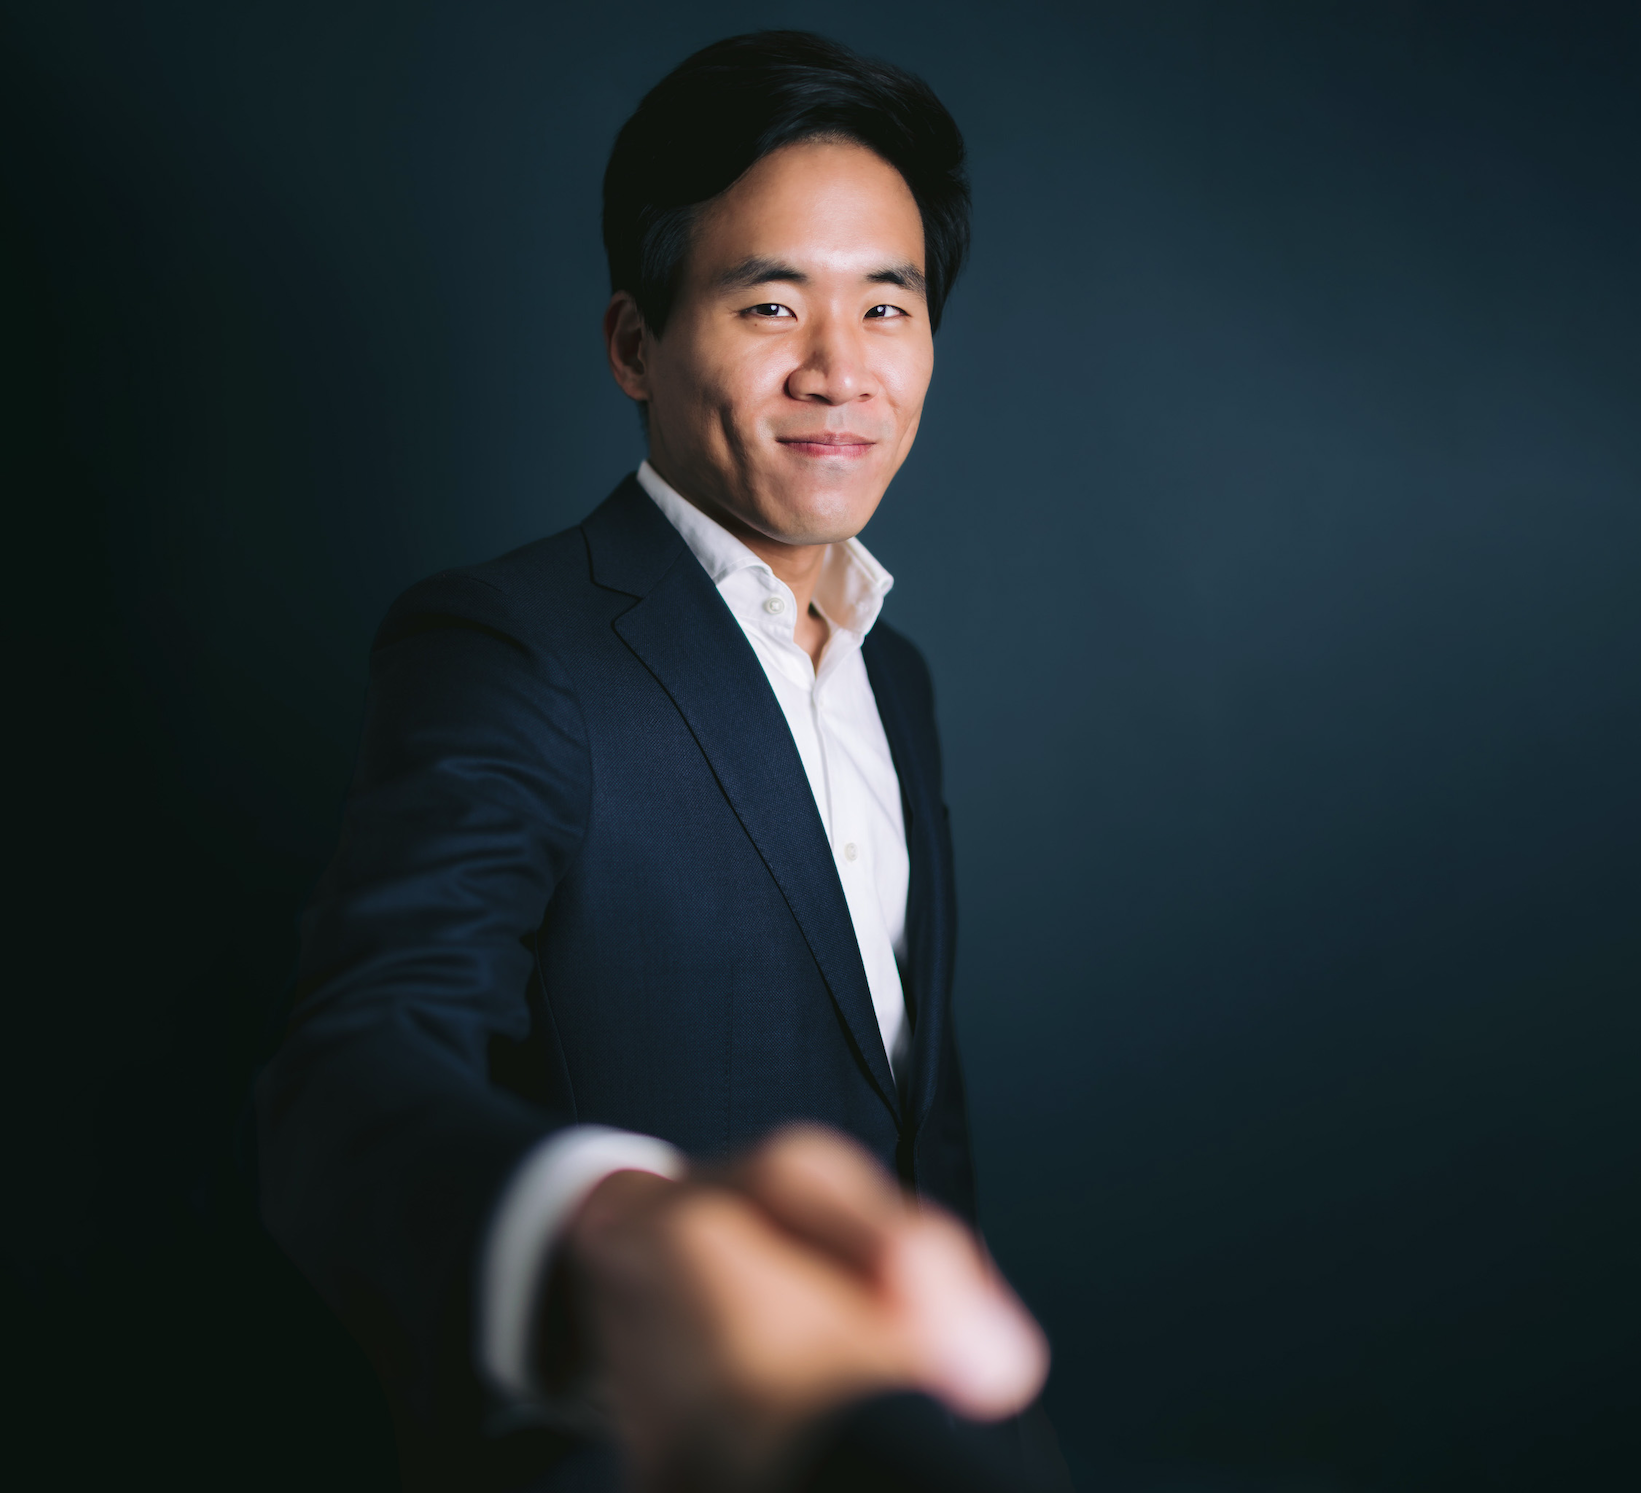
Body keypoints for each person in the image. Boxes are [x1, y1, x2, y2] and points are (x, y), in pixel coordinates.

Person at [257, 31, 1060, 1493]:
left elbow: (908, 1128)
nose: (841, 370)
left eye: (889, 305)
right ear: (637, 343)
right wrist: (613, 1237)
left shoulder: (897, 677)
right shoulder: (510, 647)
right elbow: (352, 1072)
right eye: (771, 304)